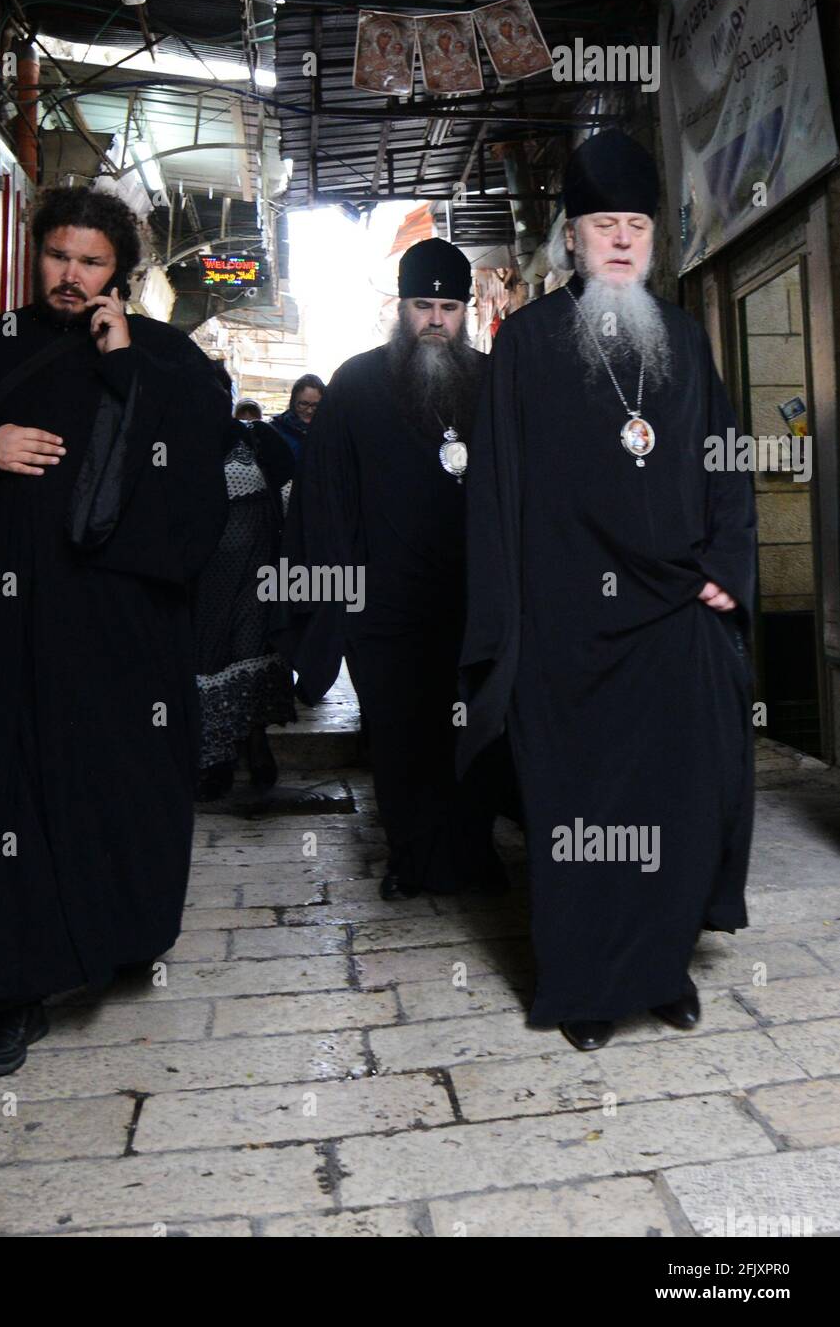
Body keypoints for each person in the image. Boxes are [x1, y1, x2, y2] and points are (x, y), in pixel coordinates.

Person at [0, 185, 229, 1078]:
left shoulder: (162, 357)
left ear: (119, 270)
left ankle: (114, 936)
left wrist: (125, 374)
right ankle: (8, 992)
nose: (71, 277)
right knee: (7, 791)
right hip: (6, 627)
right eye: (57, 257)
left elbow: (202, 476)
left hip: (120, 628)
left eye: (91, 262)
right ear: (33, 255)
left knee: (114, 782)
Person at [459, 129, 757, 1051]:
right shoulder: (527, 344)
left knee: (675, 799)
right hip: (566, 627)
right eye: (602, 226)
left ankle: (660, 969)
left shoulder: (680, 336)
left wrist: (725, 570)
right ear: (572, 241)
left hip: (670, 615)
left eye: (634, 226)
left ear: (651, 240)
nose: (620, 241)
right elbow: (493, 492)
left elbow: (726, 462)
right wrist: (505, 625)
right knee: (579, 814)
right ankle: (584, 985)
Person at [279, 238, 512, 900]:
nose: (435, 320)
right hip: (384, 610)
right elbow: (324, 499)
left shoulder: (493, 382)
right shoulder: (355, 383)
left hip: (476, 604)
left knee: (477, 736)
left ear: (465, 310)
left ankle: (472, 852)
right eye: (422, 305)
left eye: (447, 306)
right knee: (403, 740)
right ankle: (411, 859)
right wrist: (337, 600)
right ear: (399, 308)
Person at [193, 386, 297, 800]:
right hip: (205, 580)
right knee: (210, 657)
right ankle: (217, 760)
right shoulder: (182, 443)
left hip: (258, 572)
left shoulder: (260, 437)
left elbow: (290, 492)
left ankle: (256, 746)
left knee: (251, 651)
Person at [269, 374, 325, 462]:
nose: (309, 410)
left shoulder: (329, 432)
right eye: (303, 404)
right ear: (293, 402)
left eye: (315, 405)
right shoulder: (275, 430)